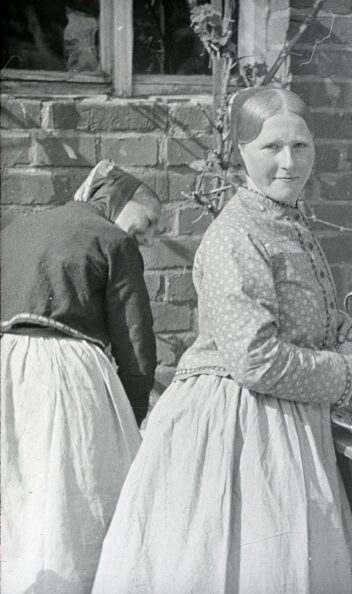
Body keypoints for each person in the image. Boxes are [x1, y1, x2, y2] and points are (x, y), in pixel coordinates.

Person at [92, 87, 352, 593]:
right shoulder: (237, 234)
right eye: (272, 147)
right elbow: (256, 358)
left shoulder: (288, 222)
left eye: (302, 146)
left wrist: (346, 333)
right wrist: (349, 373)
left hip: (287, 418)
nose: (289, 163)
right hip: (239, 424)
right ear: (241, 152)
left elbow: (298, 313)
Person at [0, 160, 161, 594]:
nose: (147, 236)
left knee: (18, 492)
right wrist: (132, 412)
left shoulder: (14, 231)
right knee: (76, 499)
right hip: (68, 377)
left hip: (5, 369)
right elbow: (135, 340)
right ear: (115, 202)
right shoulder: (113, 241)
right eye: (148, 222)